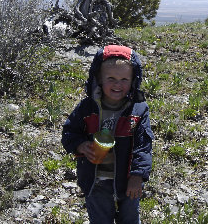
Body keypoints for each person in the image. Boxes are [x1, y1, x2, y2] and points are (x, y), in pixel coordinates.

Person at [62, 45, 154, 224]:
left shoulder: (139, 110)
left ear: (133, 80)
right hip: (95, 182)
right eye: (111, 78)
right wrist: (80, 145)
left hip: (128, 181)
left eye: (124, 79)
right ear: (99, 79)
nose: (118, 84)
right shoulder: (86, 108)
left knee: (130, 219)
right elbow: (69, 132)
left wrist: (137, 176)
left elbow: (143, 145)